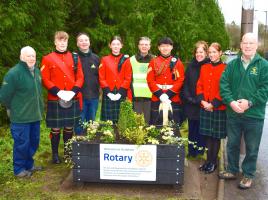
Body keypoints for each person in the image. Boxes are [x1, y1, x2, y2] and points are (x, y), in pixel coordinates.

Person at [219, 33, 268, 189]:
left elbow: (265, 88)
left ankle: (248, 175)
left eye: (251, 43)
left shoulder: (263, 65)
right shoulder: (232, 65)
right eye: (245, 43)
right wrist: (231, 102)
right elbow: (224, 85)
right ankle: (232, 170)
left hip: (254, 115)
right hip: (233, 113)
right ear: (240, 45)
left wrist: (250, 102)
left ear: (256, 46)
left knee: (252, 147)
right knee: (232, 144)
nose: (247, 46)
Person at [0, 46, 44, 177]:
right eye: (28, 55)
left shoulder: (36, 71)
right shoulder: (14, 73)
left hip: (35, 116)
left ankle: (29, 165)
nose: (31, 58)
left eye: (33, 56)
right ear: (21, 57)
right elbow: (4, 96)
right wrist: (12, 108)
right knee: (21, 144)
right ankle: (19, 169)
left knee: (33, 142)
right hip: (20, 117)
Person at [41, 31, 84, 164]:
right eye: (59, 41)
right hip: (55, 97)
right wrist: (58, 92)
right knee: (55, 128)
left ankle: (67, 152)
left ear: (67, 42)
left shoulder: (75, 57)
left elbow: (80, 77)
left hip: (72, 97)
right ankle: (55, 154)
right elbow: (45, 79)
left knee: (69, 127)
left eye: (64, 41)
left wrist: (73, 91)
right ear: (55, 42)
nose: (62, 43)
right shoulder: (47, 58)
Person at [196, 42, 227, 174]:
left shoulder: (226, 68)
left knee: (216, 137)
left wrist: (213, 104)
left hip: (218, 107)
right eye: (210, 53)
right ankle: (208, 161)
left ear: (220, 53)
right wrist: (202, 101)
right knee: (208, 136)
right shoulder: (204, 67)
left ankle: (213, 163)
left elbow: (225, 88)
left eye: (215, 52)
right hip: (205, 105)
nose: (212, 55)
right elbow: (199, 85)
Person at [146, 37, 184, 130]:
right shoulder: (153, 62)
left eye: (167, 46)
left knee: (174, 127)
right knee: (156, 127)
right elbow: (150, 80)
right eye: (162, 46)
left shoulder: (177, 62)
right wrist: (160, 94)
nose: (165, 48)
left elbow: (181, 80)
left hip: (173, 98)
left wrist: (168, 94)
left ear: (171, 47)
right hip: (157, 97)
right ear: (159, 48)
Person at [182, 41, 210, 158]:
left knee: (202, 129)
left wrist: (201, 100)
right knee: (192, 128)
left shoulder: (208, 65)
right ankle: (191, 151)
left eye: (201, 52)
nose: (199, 54)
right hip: (191, 103)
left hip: (203, 104)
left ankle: (200, 151)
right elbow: (186, 84)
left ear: (206, 53)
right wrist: (189, 98)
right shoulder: (190, 66)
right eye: (197, 52)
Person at [99, 36, 132, 123]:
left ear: (121, 45)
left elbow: (128, 78)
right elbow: (101, 77)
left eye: (118, 44)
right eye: (113, 44)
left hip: (121, 92)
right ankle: (109, 135)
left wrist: (120, 93)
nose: (116, 46)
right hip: (108, 92)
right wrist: (108, 93)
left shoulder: (126, 60)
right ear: (110, 45)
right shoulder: (104, 59)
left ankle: (120, 136)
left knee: (121, 120)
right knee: (109, 121)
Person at [74, 32, 100, 135]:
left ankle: (90, 144)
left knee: (91, 123)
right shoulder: (74, 58)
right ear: (77, 44)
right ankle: (79, 144)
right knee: (79, 123)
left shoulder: (96, 58)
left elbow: (100, 77)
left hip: (94, 97)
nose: (84, 42)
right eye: (81, 40)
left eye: (86, 40)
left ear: (89, 42)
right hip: (79, 97)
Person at [130, 37, 154, 124]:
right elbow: (128, 78)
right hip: (136, 96)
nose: (144, 46)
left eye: (146, 44)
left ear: (149, 46)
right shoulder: (131, 60)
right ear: (138, 46)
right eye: (142, 44)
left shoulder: (155, 60)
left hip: (151, 96)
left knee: (149, 123)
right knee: (137, 123)